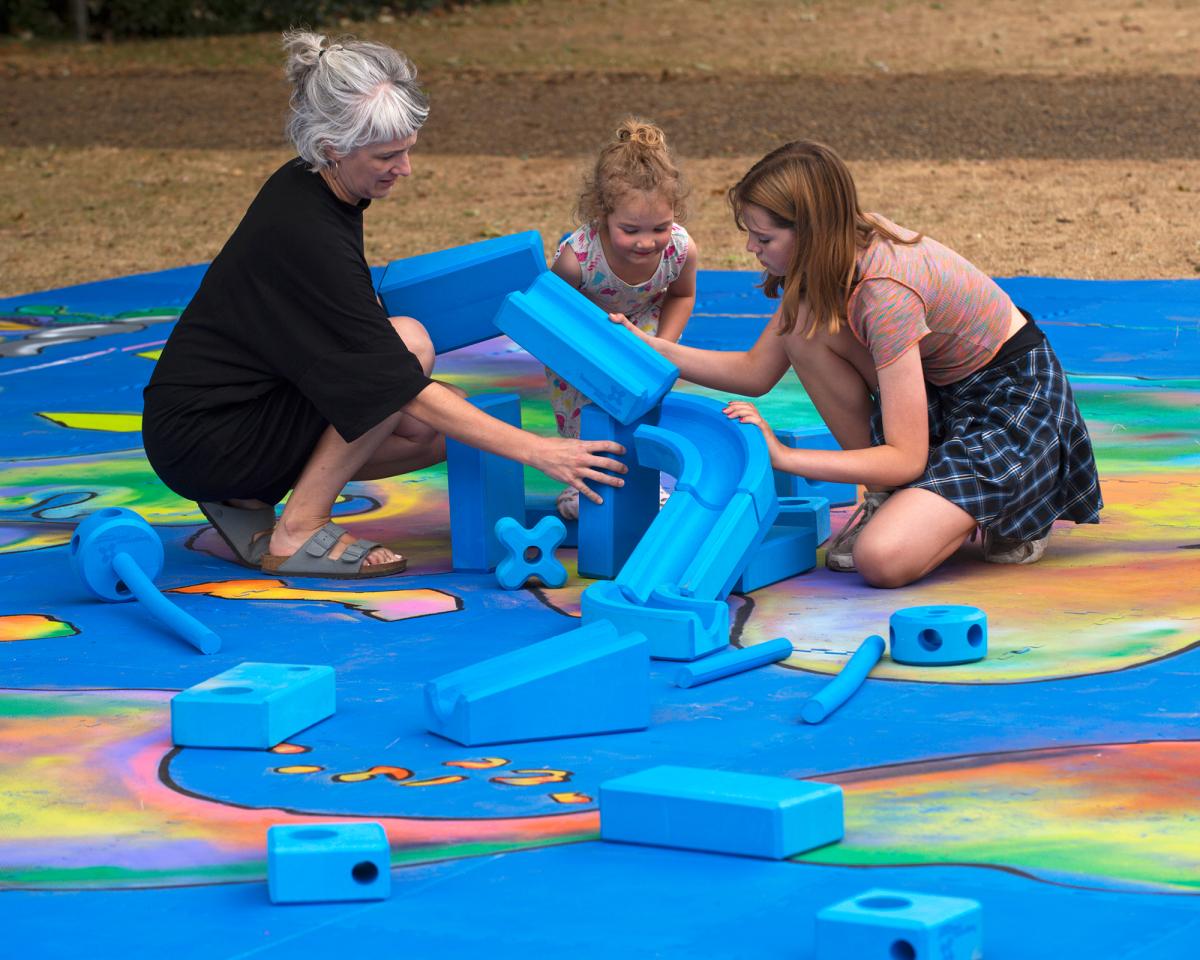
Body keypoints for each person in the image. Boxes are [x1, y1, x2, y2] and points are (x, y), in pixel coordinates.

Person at [142, 31, 625, 579]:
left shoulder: (315, 185)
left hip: (238, 416)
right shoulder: (306, 232)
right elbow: (393, 377)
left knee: (439, 432)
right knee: (409, 347)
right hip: (208, 437)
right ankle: (298, 526)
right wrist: (540, 451)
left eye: (408, 149)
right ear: (332, 147)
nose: (406, 167)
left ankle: (247, 500)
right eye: (388, 155)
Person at [612, 140, 1102, 588]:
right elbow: (754, 373)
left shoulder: (885, 291)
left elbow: (906, 456)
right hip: (945, 390)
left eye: (763, 238)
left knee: (883, 559)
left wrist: (783, 457)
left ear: (809, 231)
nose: (750, 250)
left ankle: (1019, 509)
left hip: (1011, 404)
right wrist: (650, 346)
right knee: (804, 328)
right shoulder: (829, 252)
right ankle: (892, 496)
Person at [546, 117, 699, 519]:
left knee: (647, 403)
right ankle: (578, 482)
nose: (647, 242)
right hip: (583, 333)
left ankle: (647, 482)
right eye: (630, 229)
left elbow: (682, 295)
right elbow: (555, 312)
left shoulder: (680, 249)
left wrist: (663, 346)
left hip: (644, 325)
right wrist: (594, 346)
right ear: (602, 215)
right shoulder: (577, 259)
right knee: (589, 409)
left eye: (660, 227)